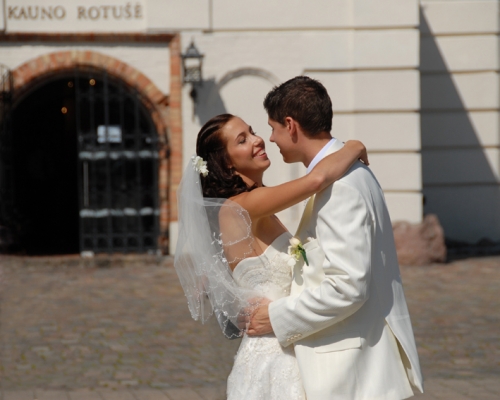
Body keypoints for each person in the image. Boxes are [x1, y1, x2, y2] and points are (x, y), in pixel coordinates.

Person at [245, 76, 424, 399]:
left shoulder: (340, 186)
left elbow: (347, 287)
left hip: (350, 368)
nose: (270, 139)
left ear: (291, 125)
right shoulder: (348, 168)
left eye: (273, 128)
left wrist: (276, 317)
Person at [174, 113, 368, 399]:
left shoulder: (257, 205)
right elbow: (316, 180)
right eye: (242, 140)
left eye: (252, 131)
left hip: (287, 341)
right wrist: (353, 146)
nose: (257, 139)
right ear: (226, 162)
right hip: (273, 356)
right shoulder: (239, 208)